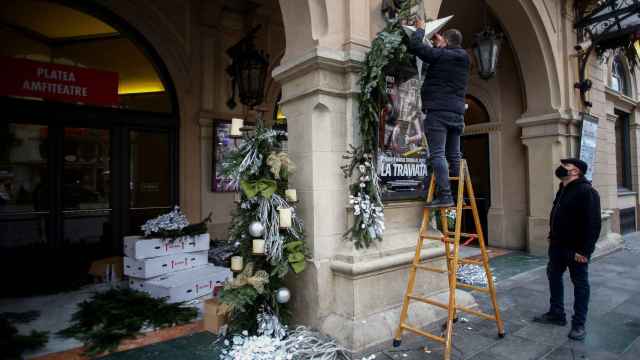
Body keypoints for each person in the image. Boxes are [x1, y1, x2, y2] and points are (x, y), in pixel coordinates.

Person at [533, 158, 601, 341]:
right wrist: (552, 235)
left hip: (576, 250)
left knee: (580, 284)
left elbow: (593, 224)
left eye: (566, 167)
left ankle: (579, 324)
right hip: (557, 246)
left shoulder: (587, 192)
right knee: (553, 276)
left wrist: (585, 251)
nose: (561, 168)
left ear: (576, 171)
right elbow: (558, 214)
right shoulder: (563, 188)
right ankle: (556, 314)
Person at [407, 19, 469, 207]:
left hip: (438, 112)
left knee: (438, 154)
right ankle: (460, 195)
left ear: (446, 43)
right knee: (454, 155)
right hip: (457, 114)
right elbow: (446, 52)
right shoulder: (465, 57)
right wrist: (443, 45)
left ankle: (445, 196)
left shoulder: (441, 55)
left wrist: (419, 29)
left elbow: (416, 46)